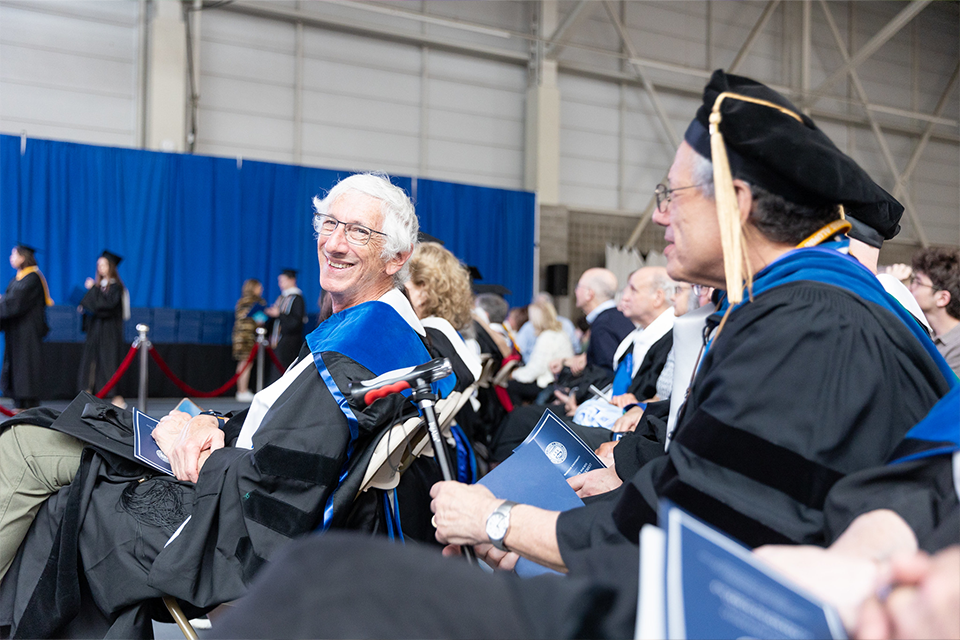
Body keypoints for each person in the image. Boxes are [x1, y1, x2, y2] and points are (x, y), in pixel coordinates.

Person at [204, 70, 955, 640]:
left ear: (738, 204)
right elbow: (717, 492)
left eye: (671, 194)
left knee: (326, 592)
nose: (657, 215)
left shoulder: (815, 326)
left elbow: (709, 531)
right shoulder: (804, 309)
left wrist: (505, 524)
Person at [0, 173, 444, 638]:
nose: (333, 243)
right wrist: (213, 422)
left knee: (30, 449)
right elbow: (287, 430)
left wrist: (195, 445)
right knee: (50, 431)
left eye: (357, 231)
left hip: (235, 523)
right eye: (329, 224)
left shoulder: (358, 347)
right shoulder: (386, 331)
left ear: (397, 256)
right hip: (234, 478)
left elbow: (280, 486)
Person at [548, 268, 634, 382]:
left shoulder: (603, 325)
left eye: (578, 286)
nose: (575, 291)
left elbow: (606, 372)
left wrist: (576, 395)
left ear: (589, 294)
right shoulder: (616, 318)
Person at [0, 244, 52, 410]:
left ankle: (28, 405)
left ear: (23, 257)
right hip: (16, 332)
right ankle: (19, 404)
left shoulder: (32, 278)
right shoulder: (18, 278)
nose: (11, 258)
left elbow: (15, 302)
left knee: (26, 367)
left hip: (27, 333)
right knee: (17, 367)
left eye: (14, 254)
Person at [76, 250, 129, 408]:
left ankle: (114, 396)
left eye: (104, 265)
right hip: (96, 330)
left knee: (109, 361)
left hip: (109, 331)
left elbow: (105, 306)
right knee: (92, 361)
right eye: (99, 265)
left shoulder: (116, 288)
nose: (100, 268)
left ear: (111, 267)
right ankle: (88, 392)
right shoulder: (100, 287)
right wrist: (84, 308)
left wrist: (93, 290)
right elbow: (92, 306)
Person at [507, 299, 574, 405]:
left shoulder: (546, 337)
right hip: (558, 382)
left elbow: (537, 369)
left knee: (509, 386)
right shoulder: (560, 333)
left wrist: (514, 374)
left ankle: (518, 416)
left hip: (547, 383)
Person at [909, 247, 960, 378]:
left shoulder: (957, 346)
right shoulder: (929, 337)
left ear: (942, 298)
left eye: (918, 283)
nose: (910, 288)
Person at [264, 268, 306, 372]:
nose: (280, 284)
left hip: (289, 342)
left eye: (283, 281)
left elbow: (296, 321)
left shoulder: (297, 298)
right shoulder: (282, 297)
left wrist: (279, 314)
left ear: (292, 280)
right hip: (278, 341)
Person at [232, 278, 266, 402]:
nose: (261, 290)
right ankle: (242, 390)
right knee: (246, 363)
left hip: (238, 336)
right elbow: (259, 320)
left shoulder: (241, 301)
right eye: (259, 287)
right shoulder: (255, 302)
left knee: (243, 363)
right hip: (247, 337)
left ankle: (241, 390)